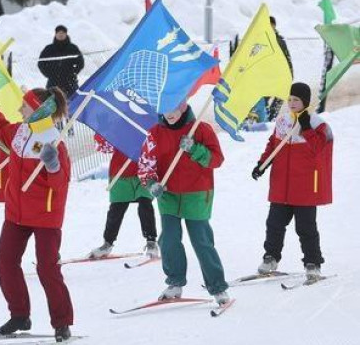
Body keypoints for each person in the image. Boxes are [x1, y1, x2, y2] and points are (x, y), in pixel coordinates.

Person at [0, 77, 74, 340]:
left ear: (38, 110)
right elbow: (1, 129)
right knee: (5, 263)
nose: (20, 110)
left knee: (47, 268)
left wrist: (53, 166)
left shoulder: (53, 141)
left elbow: (61, 184)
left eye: (24, 106)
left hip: (45, 215)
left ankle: (62, 323)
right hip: (16, 213)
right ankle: (20, 315)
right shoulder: (21, 132)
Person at [137, 101, 230, 307]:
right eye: (164, 110)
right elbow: (145, 165)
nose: (168, 114)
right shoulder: (154, 133)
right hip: (168, 195)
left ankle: (218, 287)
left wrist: (194, 148)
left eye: (173, 108)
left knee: (201, 241)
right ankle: (175, 283)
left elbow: (217, 159)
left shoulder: (201, 130)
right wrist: (151, 184)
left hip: (197, 193)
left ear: (183, 107)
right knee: (169, 240)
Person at [252, 82, 332, 281]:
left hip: (305, 187)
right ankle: (270, 258)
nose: (292, 102)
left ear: (305, 101)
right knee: (274, 224)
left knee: (305, 227)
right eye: (290, 99)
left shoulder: (317, 124)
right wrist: (262, 164)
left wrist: (306, 128)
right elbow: (273, 146)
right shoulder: (283, 121)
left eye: (296, 99)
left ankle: (313, 263)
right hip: (281, 185)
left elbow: (319, 148)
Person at [88, 135, 158, 259]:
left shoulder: (148, 130)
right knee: (116, 210)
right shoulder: (117, 130)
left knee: (145, 204)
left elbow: (157, 147)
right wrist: (101, 132)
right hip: (120, 173)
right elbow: (103, 147)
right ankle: (107, 243)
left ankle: (151, 242)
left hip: (143, 172)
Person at [37, 25, 85, 97]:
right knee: (51, 101)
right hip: (53, 83)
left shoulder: (73, 48)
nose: (61, 35)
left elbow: (80, 63)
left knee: (74, 101)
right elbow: (41, 63)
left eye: (63, 33)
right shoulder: (49, 48)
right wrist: (49, 74)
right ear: (56, 34)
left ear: (66, 34)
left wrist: (73, 73)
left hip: (70, 82)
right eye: (59, 33)